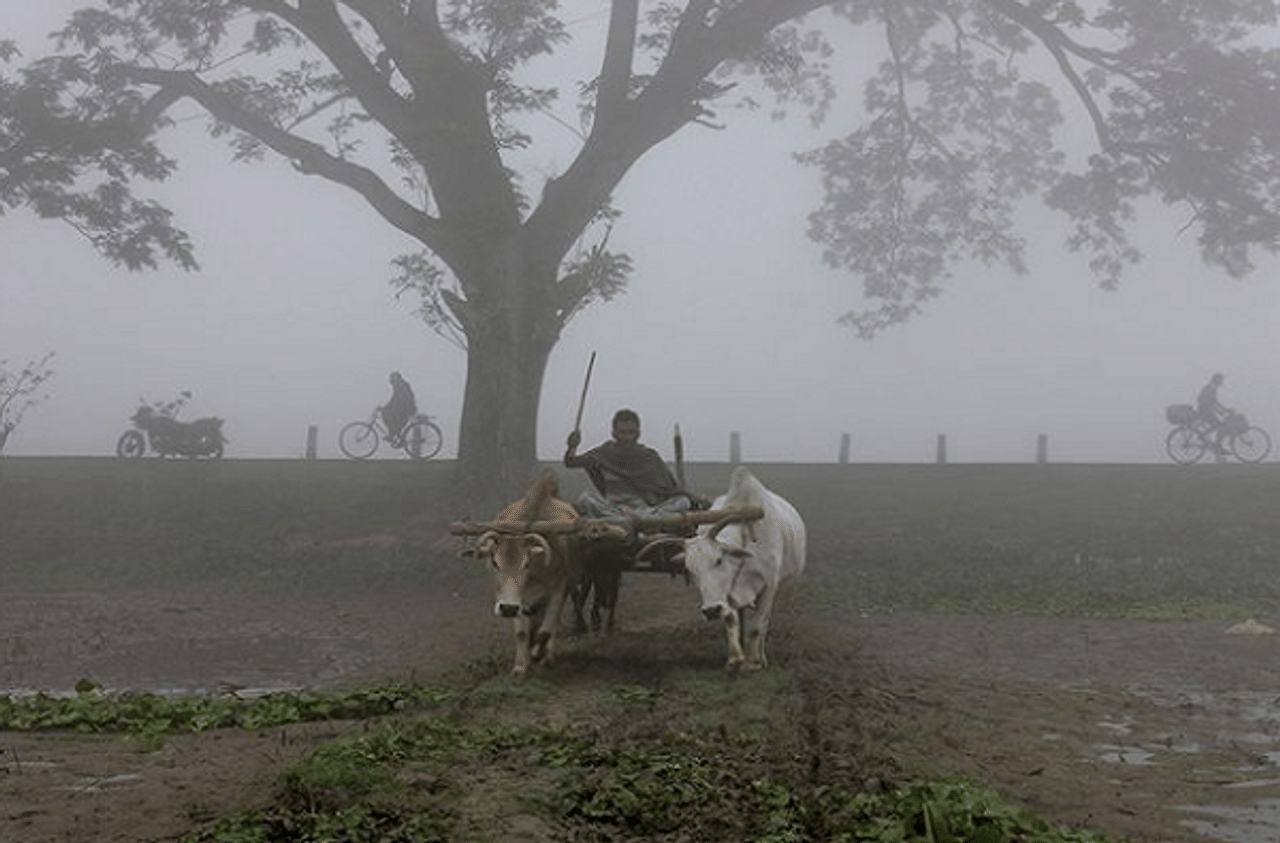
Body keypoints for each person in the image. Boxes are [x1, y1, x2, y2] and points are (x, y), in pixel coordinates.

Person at [564, 408, 692, 519]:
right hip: (614, 509)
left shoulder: (649, 456)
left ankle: (637, 520)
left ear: (638, 434)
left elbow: (669, 489)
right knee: (585, 499)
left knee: (683, 502)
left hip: (645, 510)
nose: (627, 437)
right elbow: (571, 462)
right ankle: (639, 522)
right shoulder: (603, 453)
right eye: (622, 433)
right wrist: (571, 446)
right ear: (614, 433)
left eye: (631, 433)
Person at [1196, 372, 1230, 455]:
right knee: (1220, 426)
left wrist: (1224, 409)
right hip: (1204, 411)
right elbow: (1209, 402)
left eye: (1221, 380)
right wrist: (1222, 411)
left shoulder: (1213, 388)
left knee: (1219, 426)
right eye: (1220, 380)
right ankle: (1215, 444)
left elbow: (1215, 402)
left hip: (1206, 410)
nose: (1221, 382)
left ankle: (1215, 444)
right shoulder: (1210, 388)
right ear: (1215, 380)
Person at [381, 371, 417, 445]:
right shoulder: (400, 384)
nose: (390, 380)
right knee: (388, 415)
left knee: (387, 415)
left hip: (406, 408)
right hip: (406, 407)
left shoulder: (399, 385)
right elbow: (394, 399)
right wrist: (386, 407)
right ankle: (394, 434)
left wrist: (387, 407)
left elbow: (400, 399)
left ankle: (392, 434)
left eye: (391, 378)